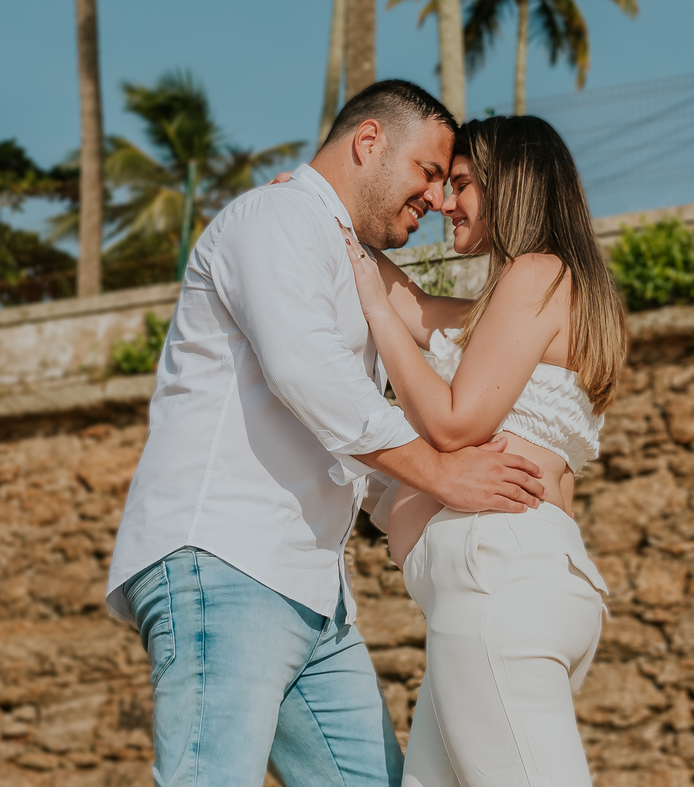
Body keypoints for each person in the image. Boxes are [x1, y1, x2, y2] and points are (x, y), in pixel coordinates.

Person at [106, 79, 545, 787]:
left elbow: (370, 437)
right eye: (429, 173)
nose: (437, 199)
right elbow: (305, 372)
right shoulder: (275, 218)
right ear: (368, 143)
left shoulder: (350, 259)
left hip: (313, 593)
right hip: (226, 557)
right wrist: (441, 472)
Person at [340, 114, 627, 787]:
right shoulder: (546, 293)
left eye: (463, 183)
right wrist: (324, 215)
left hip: (496, 588)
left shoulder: (536, 273)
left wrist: (377, 319)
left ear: (512, 187)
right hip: (503, 591)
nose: (443, 201)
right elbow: (414, 306)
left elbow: (454, 422)